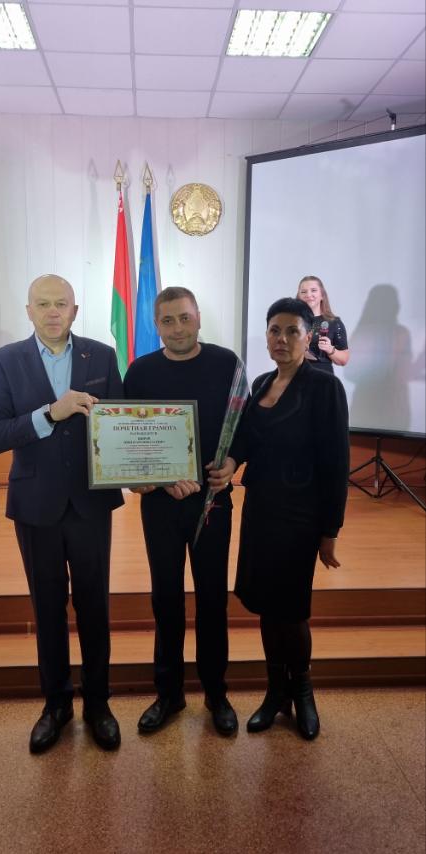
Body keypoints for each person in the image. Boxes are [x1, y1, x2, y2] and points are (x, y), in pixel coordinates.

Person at [0, 274, 124, 754]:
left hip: (90, 504)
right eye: (42, 304)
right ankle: (56, 705)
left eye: (61, 303)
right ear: (29, 311)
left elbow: (120, 424)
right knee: (47, 609)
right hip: (35, 505)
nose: (52, 312)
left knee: (95, 608)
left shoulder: (101, 355)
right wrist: (50, 413)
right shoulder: (6, 360)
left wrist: (145, 470)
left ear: (74, 310)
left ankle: (98, 704)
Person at [212, 297, 349, 740]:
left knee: (291, 610)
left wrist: (330, 531)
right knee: (267, 606)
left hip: (300, 517)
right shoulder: (262, 382)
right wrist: (231, 462)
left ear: (308, 337)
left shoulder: (324, 387)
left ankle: (303, 693)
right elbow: (248, 439)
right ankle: (275, 694)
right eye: (275, 330)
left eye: (293, 331)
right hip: (261, 513)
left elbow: (336, 463)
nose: (282, 339)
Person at [123, 287, 240, 737]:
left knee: (212, 600)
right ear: (156, 325)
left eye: (184, 318)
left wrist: (234, 462)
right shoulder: (140, 371)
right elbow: (127, 435)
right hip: (160, 505)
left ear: (198, 318)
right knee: (165, 599)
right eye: (167, 320)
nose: (177, 328)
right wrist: (150, 477)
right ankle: (168, 694)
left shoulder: (227, 364)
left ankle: (216, 693)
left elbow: (245, 426)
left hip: (212, 502)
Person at [297, 275, 349, 372]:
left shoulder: (334, 322)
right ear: (299, 297)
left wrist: (330, 349)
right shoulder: (291, 321)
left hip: (323, 376)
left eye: (313, 290)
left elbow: (344, 360)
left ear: (322, 295)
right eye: (303, 292)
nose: (308, 295)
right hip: (295, 375)